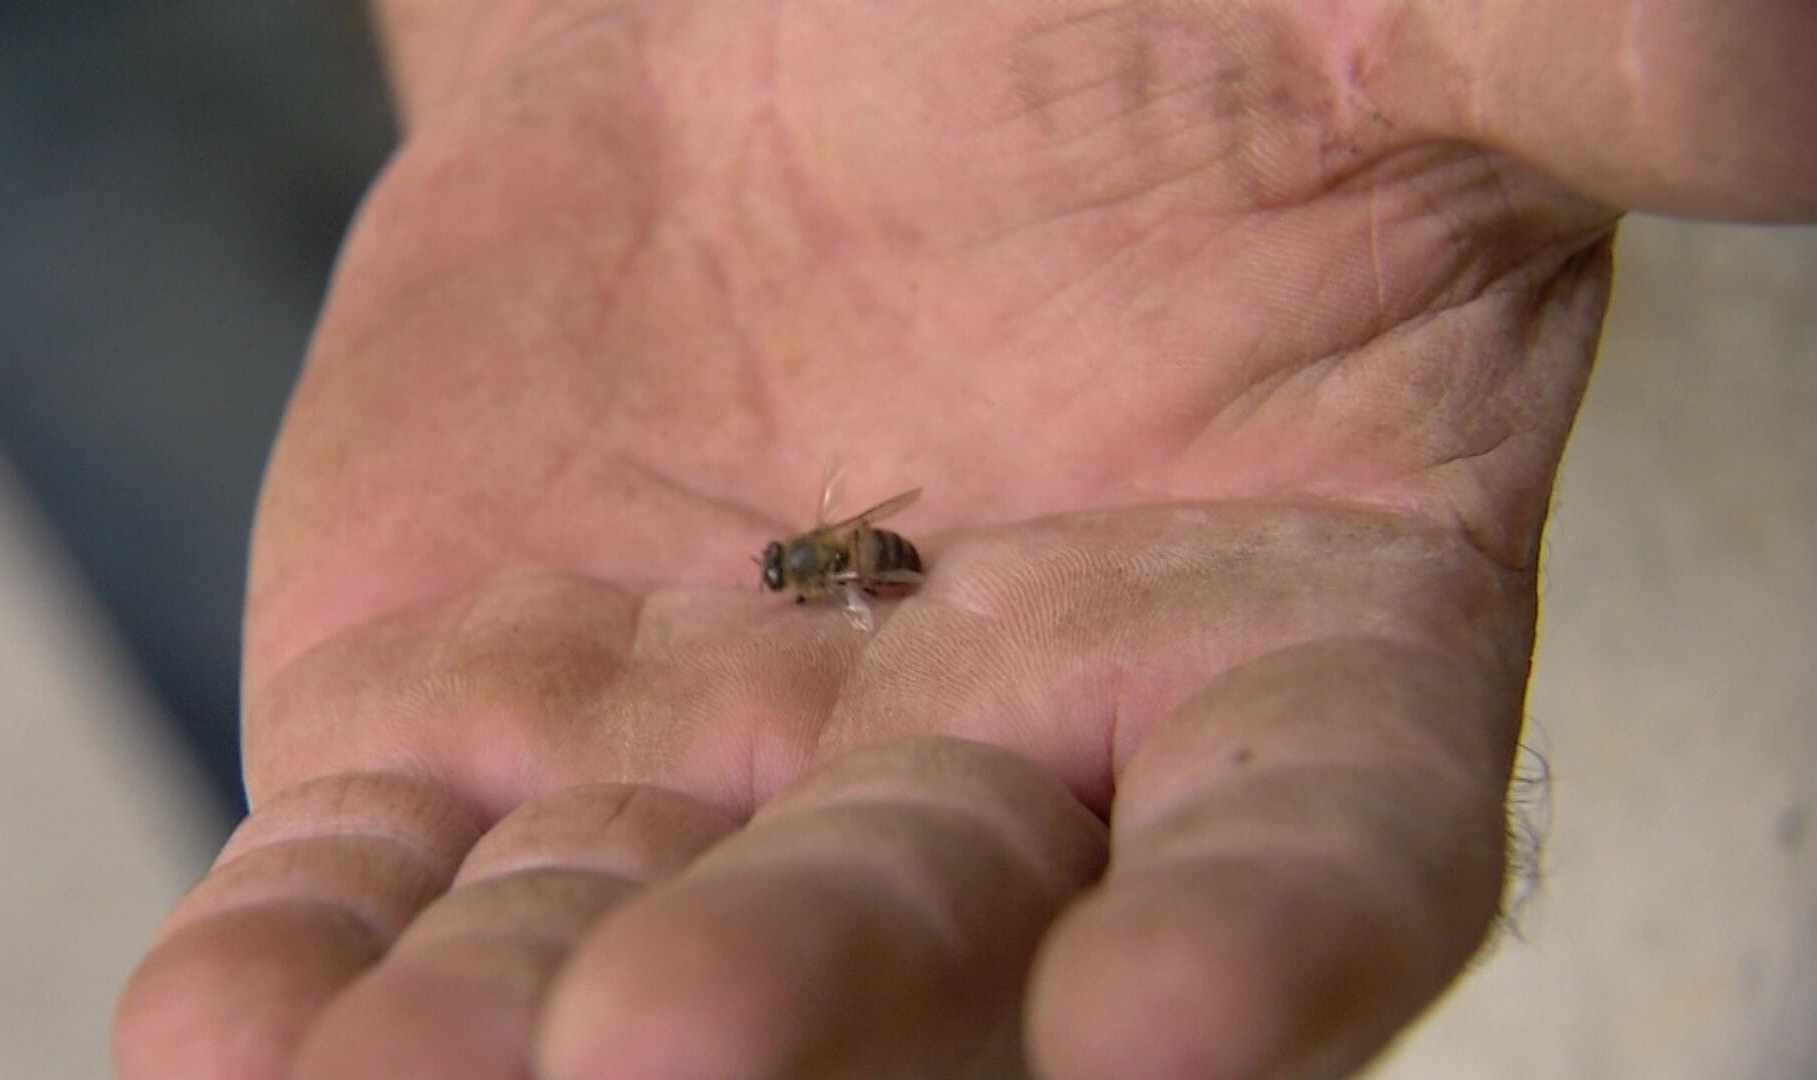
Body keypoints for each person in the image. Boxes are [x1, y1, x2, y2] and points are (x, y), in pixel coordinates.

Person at [113, 2, 1816, 1077]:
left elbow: (869, 574)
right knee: (370, 843)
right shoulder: (814, 571)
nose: (801, 575)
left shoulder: (840, 572)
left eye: (806, 570)